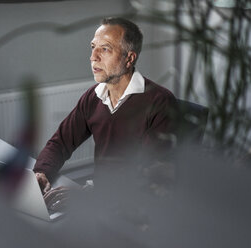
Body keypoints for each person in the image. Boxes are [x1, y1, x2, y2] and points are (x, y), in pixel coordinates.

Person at [33, 17, 178, 209]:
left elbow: (150, 174)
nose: (93, 56)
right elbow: (61, 142)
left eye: (105, 49)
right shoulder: (93, 97)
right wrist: (42, 172)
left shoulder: (160, 102)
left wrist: (90, 193)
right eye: (93, 47)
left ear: (129, 58)